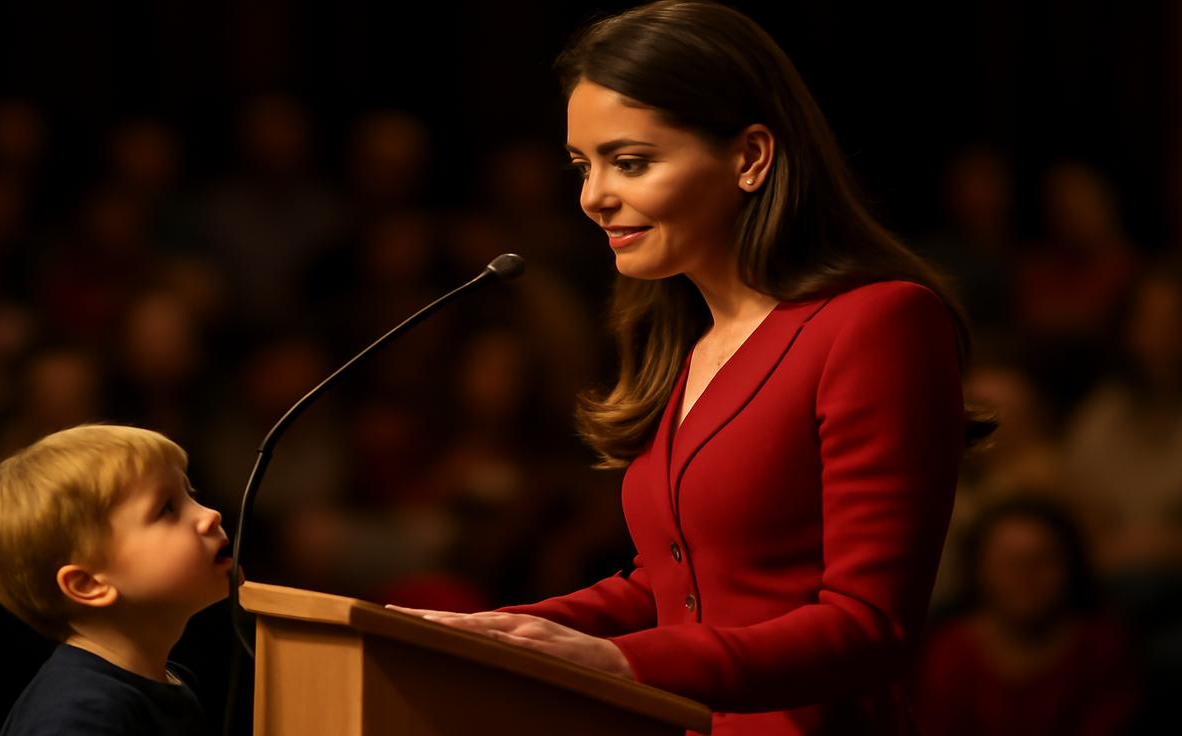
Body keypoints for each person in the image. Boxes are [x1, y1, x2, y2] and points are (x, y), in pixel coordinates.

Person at [389, 2, 988, 734]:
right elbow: (670, 585)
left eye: (630, 162)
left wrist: (625, 664)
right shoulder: (687, 341)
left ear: (750, 158)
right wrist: (487, 629)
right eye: (584, 165)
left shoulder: (877, 321)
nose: (593, 196)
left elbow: (869, 626)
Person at [0, 424, 232, 735]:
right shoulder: (77, 717)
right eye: (167, 509)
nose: (210, 515)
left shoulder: (167, 681)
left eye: (191, 495)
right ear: (88, 585)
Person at [913, 498, 1139, 735]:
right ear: (978, 569)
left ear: (1071, 566)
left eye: (1042, 561)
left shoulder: (1102, 647)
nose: (1025, 577)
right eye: (1010, 564)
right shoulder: (949, 651)